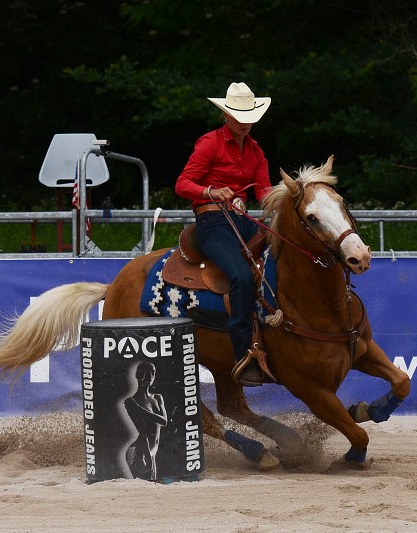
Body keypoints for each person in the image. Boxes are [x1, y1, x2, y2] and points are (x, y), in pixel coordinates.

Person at [175, 82, 272, 387]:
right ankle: (243, 351)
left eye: (249, 115)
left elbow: (263, 191)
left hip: (242, 219)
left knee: (284, 249)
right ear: (227, 116)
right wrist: (210, 191)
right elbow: (183, 184)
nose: (245, 121)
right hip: (212, 221)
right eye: (239, 114)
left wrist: (282, 203)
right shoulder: (210, 143)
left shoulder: (255, 150)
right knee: (242, 276)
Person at [124, 361, 168, 480]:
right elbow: (142, 431)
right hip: (141, 450)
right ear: (137, 375)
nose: (149, 376)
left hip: (151, 450)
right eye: (145, 372)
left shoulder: (157, 398)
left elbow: (164, 421)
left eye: (152, 373)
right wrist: (148, 458)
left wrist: (140, 410)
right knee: (143, 485)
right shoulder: (132, 401)